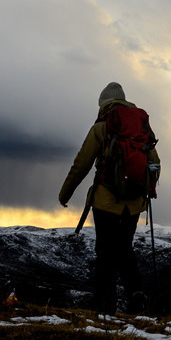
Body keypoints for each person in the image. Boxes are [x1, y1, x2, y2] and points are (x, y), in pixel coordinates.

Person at [59, 82, 160, 314]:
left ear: (103, 104)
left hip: (105, 202)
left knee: (104, 252)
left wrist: (65, 193)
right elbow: (155, 162)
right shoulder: (140, 128)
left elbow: (81, 164)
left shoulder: (102, 127)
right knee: (125, 249)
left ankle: (105, 306)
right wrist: (147, 187)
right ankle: (136, 297)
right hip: (134, 204)